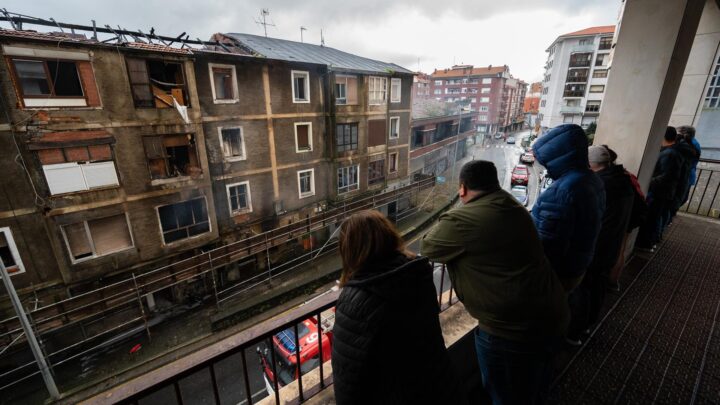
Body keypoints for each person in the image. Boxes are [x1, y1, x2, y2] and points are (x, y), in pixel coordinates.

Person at [422, 160, 569, 405]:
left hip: (511, 332)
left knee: (507, 395)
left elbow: (429, 245)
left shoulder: (463, 219)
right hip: (553, 312)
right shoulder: (512, 205)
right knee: (535, 386)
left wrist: (460, 209)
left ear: (462, 188)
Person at [331, 210, 466, 405]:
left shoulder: (354, 302)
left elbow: (347, 382)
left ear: (349, 250)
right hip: (442, 386)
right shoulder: (418, 274)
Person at [567, 145, 634, 343]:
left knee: (583, 290)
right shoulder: (623, 181)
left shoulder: (600, 185)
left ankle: (573, 333)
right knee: (597, 286)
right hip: (610, 245)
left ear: (590, 164)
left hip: (595, 247)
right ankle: (587, 325)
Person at [531, 124, 605, 291]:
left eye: (542, 159)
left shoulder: (562, 191)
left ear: (556, 156)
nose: (540, 163)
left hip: (558, 273)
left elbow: (548, 244)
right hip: (577, 264)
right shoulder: (592, 179)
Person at [636, 127, 683, 251]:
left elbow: (665, 176)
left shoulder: (669, 154)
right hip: (664, 192)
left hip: (659, 192)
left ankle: (647, 243)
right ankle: (651, 241)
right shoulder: (674, 152)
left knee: (652, 218)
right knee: (656, 217)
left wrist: (647, 182)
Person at [677, 125, 702, 208]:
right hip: (688, 175)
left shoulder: (688, 145)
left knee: (679, 198)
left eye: (679, 133)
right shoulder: (695, 143)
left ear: (685, 134)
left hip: (685, 175)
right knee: (681, 197)